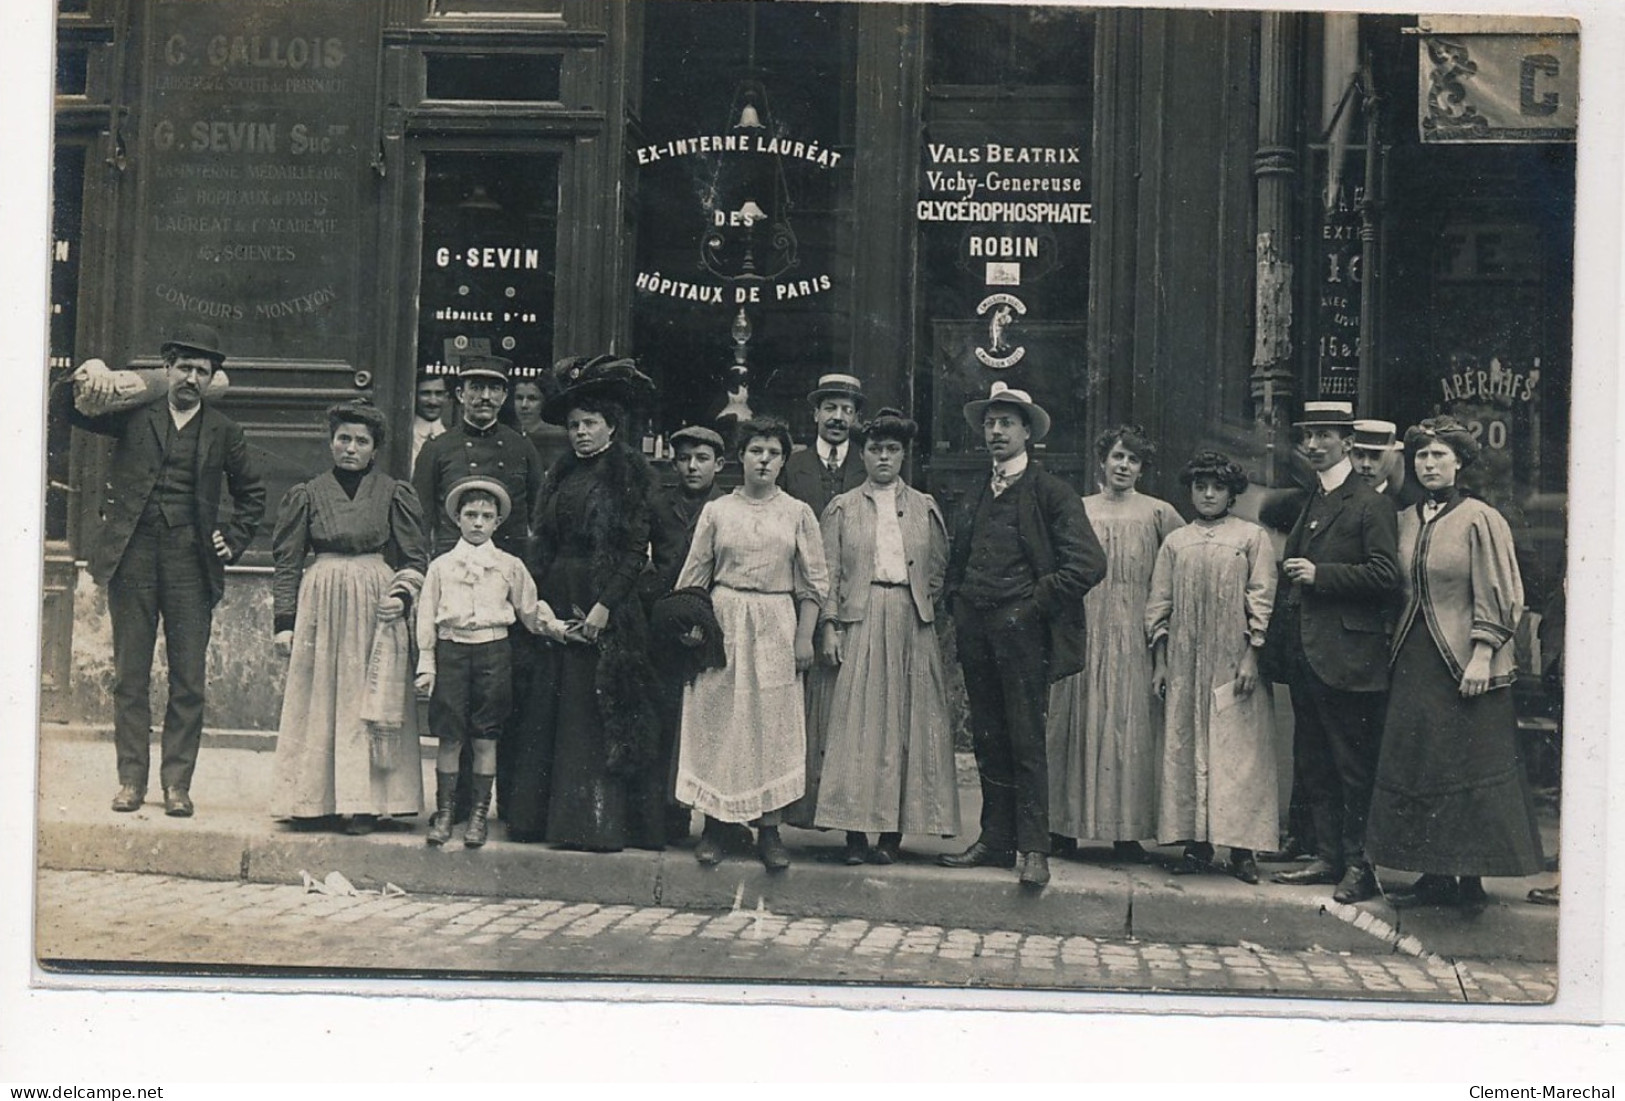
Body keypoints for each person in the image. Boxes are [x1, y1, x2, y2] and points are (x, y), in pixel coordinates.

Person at [55, 323, 267, 818]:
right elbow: (65, 410)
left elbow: (252, 495)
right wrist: (79, 376)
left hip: (191, 565)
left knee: (188, 679)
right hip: (133, 557)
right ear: (167, 368)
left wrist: (232, 540)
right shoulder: (133, 416)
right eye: (184, 367)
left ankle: (177, 785)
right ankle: (131, 781)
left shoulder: (224, 432)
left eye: (202, 370)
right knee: (130, 677)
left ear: (213, 378)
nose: (192, 377)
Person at [1364, 417, 1545, 907]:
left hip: (1466, 660)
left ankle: (1471, 880)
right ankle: (1434, 873)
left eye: (1440, 455)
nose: (1429, 464)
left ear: (1459, 462)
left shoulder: (1481, 519)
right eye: (1422, 455)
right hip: (1414, 656)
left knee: (1469, 764)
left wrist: (1483, 654)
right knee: (1424, 763)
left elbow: (1504, 592)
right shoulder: (1404, 519)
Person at [939, 381, 1107, 889]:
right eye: (990, 423)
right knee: (989, 736)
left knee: (1026, 739)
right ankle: (995, 841)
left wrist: (1032, 605)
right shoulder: (976, 491)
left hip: (1023, 634)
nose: (995, 431)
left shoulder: (1051, 492)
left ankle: (1034, 850)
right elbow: (959, 559)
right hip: (978, 629)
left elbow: (1089, 563)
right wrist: (959, 603)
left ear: (1027, 432)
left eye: (1006, 423)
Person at [505, 355, 666, 852]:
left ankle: (594, 823)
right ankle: (537, 819)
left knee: (593, 714)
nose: (580, 433)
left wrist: (603, 609)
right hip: (558, 595)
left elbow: (635, 549)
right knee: (547, 709)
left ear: (612, 427)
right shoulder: (560, 471)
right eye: (574, 425)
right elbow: (544, 540)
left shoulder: (630, 472)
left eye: (590, 424)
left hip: (606, 604)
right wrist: (541, 608)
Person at [674, 416, 830, 871]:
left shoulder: (797, 513)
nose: (764, 460)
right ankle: (716, 829)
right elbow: (694, 574)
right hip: (723, 621)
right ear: (740, 458)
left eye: (774, 453)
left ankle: (769, 830)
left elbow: (815, 583)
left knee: (772, 726)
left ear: (783, 461)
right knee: (718, 721)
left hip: (776, 622)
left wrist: (804, 637)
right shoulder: (718, 511)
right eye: (756, 451)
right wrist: (693, 625)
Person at [269, 401, 430, 834]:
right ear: (331, 443)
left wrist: (403, 597)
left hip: (376, 601)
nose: (351, 448)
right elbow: (287, 562)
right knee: (319, 695)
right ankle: (314, 800)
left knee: (367, 700)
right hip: (320, 599)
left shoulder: (394, 492)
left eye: (361, 441)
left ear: (374, 449)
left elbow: (416, 559)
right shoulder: (307, 493)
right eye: (344, 439)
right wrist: (284, 622)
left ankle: (366, 803)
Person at [810, 408, 960, 865]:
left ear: (903, 455)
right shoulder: (842, 508)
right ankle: (855, 832)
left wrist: (921, 605)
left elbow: (937, 568)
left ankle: (892, 834)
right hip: (859, 617)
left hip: (910, 619)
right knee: (857, 725)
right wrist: (830, 625)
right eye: (875, 449)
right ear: (863, 454)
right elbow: (826, 573)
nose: (884, 457)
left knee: (907, 724)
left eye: (892, 449)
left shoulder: (924, 507)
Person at [1267, 400, 1401, 905]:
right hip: (1310, 654)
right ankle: (1328, 857)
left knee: (1352, 767)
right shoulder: (1316, 500)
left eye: (1326, 435)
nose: (1315, 444)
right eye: (1309, 436)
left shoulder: (1369, 503)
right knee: (1316, 761)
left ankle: (1359, 867)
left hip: (1349, 658)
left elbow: (1387, 576)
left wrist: (1322, 576)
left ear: (1348, 441)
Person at [412, 354, 546, 818]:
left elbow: (537, 519)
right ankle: (453, 806)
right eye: (475, 387)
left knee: (501, 709)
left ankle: (501, 806)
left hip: (505, 592)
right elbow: (419, 520)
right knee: (454, 715)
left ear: (506, 396)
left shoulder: (521, 447)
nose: (484, 397)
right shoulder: (438, 449)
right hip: (454, 587)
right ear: (459, 394)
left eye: (494, 389)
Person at [1046, 425, 1183, 862]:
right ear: (1102, 461)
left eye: (1133, 460)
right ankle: (1063, 828)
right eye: (1117, 457)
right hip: (1084, 626)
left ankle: (1127, 832)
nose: (1124, 466)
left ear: (1142, 468)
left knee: (1129, 727)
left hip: (1133, 630)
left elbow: (1178, 570)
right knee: (1076, 722)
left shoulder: (1159, 513)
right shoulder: (1078, 508)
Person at [1147, 452, 1279, 884]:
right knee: (1188, 746)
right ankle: (1197, 845)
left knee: (1239, 754)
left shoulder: (1250, 537)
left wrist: (1252, 654)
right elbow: (1159, 603)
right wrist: (1161, 661)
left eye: (1217, 487)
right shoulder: (1177, 542)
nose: (1207, 494)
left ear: (1231, 493)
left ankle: (1242, 849)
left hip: (1232, 661)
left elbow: (1262, 597)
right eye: (1200, 486)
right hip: (1186, 661)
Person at [415, 477, 567, 848]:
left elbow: (529, 609)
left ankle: (479, 817)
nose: (478, 522)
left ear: (498, 522)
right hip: (451, 652)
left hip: (493, 654)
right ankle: (447, 813)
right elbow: (426, 615)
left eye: (487, 515)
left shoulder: (509, 566)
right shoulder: (441, 566)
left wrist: (560, 629)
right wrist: (427, 663)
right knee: (450, 736)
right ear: (457, 519)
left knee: (486, 737)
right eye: (471, 515)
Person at [779, 372, 868, 830]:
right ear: (814, 414)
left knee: (843, 705)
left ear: (856, 418)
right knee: (793, 704)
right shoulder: (792, 466)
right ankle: (795, 807)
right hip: (795, 597)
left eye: (846, 410)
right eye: (830, 408)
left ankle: (837, 806)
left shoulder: (868, 464)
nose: (837, 417)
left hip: (851, 602)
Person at [642, 425, 730, 846]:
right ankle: (668, 814)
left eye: (701, 459)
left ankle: (719, 821)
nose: (692, 467)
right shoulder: (658, 503)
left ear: (720, 465)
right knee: (666, 716)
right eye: (684, 459)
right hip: (664, 620)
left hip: (713, 622)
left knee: (711, 719)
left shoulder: (728, 507)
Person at [1350, 419, 1421, 509]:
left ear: (1391, 460)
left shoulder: (1407, 506)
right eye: (1359, 456)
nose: (1366, 465)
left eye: (1375, 457)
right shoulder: (1336, 500)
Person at [409, 368, 450, 476]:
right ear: (414, 395)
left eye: (439, 394)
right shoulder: (403, 433)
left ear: (446, 397)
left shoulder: (452, 434)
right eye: (425, 393)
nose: (433, 401)